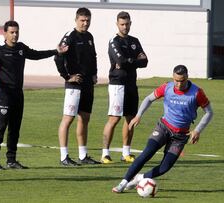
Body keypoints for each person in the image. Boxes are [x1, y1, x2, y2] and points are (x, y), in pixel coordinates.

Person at [0, 20, 68, 170]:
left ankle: (11, 160)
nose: (15, 35)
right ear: (5, 34)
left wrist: (55, 51)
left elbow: (36, 54)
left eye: (16, 32)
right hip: (3, 94)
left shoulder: (21, 48)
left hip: (18, 94)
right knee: (0, 127)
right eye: (12, 32)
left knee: (15, 128)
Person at [112, 65, 213, 193]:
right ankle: (123, 183)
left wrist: (197, 130)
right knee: (146, 154)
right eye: (176, 80)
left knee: (165, 167)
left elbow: (209, 112)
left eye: (182, 80)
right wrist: (138, 115)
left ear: (187, 77)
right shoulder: (167, 87)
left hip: (180, 136)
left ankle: (139, 178)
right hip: (163, 128)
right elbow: (149, 99)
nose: (179, 84)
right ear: (173, 77)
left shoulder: (197, 93)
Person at [54, 7, 100, 166]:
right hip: (74, 84)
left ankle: (83, 155)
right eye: (82, 20)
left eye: (88, 20)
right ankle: (63, 156)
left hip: (88, 84)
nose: (85, 23)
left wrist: (94, 73)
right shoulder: (70, 37)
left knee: (85, 118)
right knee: (68, 118)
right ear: (76, 20)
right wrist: (67, 76)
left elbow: (93, 56)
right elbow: (58, 57)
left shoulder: (89, 36)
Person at [101, 11, 148, 164]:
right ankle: (105, 154)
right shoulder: (113, 41)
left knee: (130, 119)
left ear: (130, 23)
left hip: (131, 84)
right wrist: (134, 60)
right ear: (117, 24)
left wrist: (128, 61)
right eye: (122, 24)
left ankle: (126, 153)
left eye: (127, 24)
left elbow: (145, 61)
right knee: (114, 119)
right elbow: (119, 59)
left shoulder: (135, 41)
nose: (125, 27)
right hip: (117, 85)